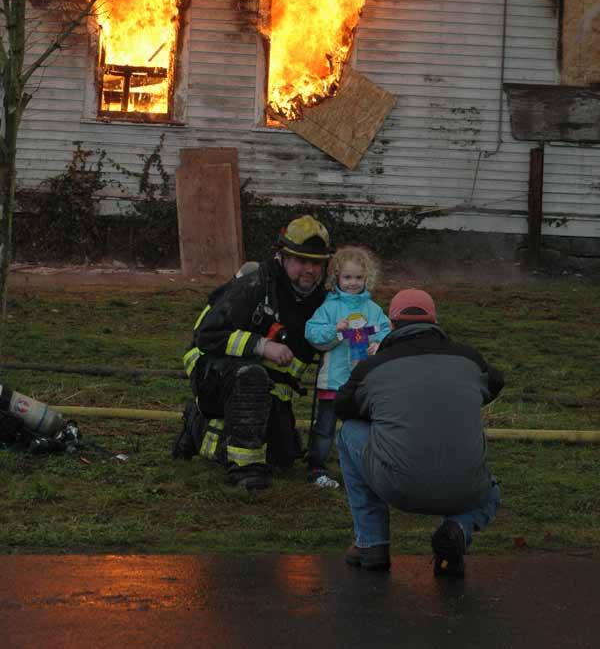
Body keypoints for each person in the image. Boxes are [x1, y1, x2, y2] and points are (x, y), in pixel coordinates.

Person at [334, 288, 503, 575]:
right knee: (491, 492)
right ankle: (457, 528)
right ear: (435, 321)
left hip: (398, 484)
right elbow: (495, 383)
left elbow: (343, 407)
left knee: (349, 432)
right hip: (466, 488)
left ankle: (372, 543)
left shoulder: (373, 367)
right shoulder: (470, 360)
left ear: (392, 323)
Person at [176, 215, 330, 491]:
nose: (309, 269)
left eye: (316, 263)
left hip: (268, 389)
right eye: (301, 261)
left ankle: (199, 428)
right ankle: (247, 471)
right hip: (212, 371)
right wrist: (261, 346)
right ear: (282, 257)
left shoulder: (319, 301)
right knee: (251, 375)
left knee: (284, 456)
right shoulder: (255, 285)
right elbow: (208, 335)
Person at [304, 246, 391, 489]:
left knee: (361, 428)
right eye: (347, 277)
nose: (353, 283)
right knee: (324, 429)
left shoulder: (372, 310)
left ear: (367, 279)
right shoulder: (329, 308)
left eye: (358, 278)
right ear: (336, 278)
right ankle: (316, 469)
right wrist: (335, 330)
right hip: (333, 381)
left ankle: (362, 469)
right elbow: (311, 332)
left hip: (363, 383)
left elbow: (387, 331)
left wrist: (378, 343)